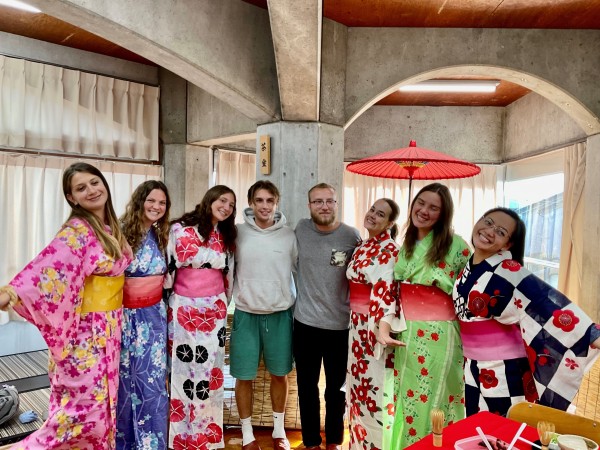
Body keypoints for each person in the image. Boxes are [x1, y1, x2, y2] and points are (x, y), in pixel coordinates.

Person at [0, 162, 131, 449]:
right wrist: (11, 292)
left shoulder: (109, 228)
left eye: (94, 182)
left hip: (110, 329)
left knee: (102, 413)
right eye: (81, 188)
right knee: (81, 416)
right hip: (86, 336)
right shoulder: (76, 231)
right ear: (72, 198)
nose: (91, 190)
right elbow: (47, 268)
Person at [453, 207, 600, 416]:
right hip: (473, 364)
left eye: (501, 232)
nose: (490, 231)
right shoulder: (469, 268)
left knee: (502, 428)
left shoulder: (509, 271)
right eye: (488, 222)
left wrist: (592, 335)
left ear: (508, 244)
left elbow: (546, 303)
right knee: (476, 424)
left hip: (503, 370)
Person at [389, 182, 471, 449]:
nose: (424, 211)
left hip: (439, 334)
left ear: (443, 214)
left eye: (433, 208)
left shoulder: (457, 245)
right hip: (406, 331)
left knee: (434, 398)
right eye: (420, 203)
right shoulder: (407, 243)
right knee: (407, 397)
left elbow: (469, 291)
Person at [165, 185, 237, 450]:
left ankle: (207, 436)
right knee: (182, 369)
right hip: (183, 307)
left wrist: (224, 301)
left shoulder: (227, 235)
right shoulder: (179, 228)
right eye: (222, 200)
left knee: (210, 371)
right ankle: (181, 436)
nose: (226, 207)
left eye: (231, 204)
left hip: (214, 311)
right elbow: (171, 267)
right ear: (209, 200)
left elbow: (229, 274)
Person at [230, 180, 298, 450]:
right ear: (251, 203)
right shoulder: (237, 233)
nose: (265, 206)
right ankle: (247, 433)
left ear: (276, 203)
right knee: (244, 376)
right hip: (246, 313)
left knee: (280, 374)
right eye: (259, 200)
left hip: (280, 314)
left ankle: (279, 431)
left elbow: (300, 272)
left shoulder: (289, 236)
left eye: (270, 200)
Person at [294, 183, 361, 450]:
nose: (324, 206)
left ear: (336, 203)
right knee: (306, 387)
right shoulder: (300, 229)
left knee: (336, 390)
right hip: (305, 324)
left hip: (340, 326)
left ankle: (334, 440)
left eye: (329, 201)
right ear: (309, 205)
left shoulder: (351, 235)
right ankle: (310, 441)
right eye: (318, 201)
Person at [345, 198, 406, 450]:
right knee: (357, 389)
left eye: (380, 214)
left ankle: (378, 445)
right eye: (372, 209)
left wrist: (382, 327)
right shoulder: (363, 246)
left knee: (375, 389)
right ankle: (357, 444)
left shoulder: (390, 250)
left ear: (390, 223)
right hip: (356, 326)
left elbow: (387, 292)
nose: (372, 215)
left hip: (372, 326)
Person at [116, 180, 171, 450]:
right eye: (151, 200)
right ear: (140, 201)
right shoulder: (119, 232)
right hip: (126, 317)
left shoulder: (160, 234)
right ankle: (123, 443)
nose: (156, 207)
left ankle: (152, 444)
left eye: (162, 203)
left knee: (153, 382)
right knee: (124, 380)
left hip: (154, 317)